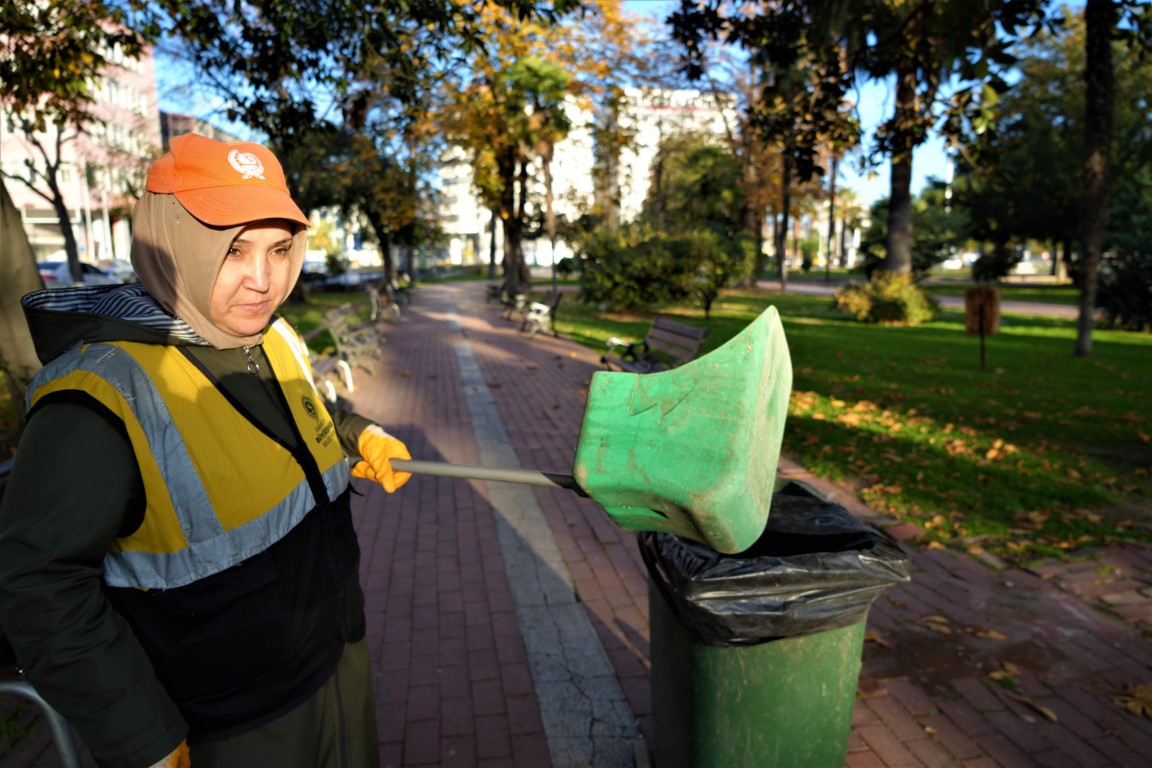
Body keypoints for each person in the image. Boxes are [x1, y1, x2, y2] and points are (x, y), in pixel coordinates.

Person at [0, 133, 412, 768]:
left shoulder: (273, 339)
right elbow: (38, 583)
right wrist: (141, 735)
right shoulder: (100, 395)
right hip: (228, 726)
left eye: (279, 248)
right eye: (232, 248)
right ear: (172, 246)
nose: (263, 278)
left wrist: (357, 433)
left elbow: (301, 417)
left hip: (337, 665)